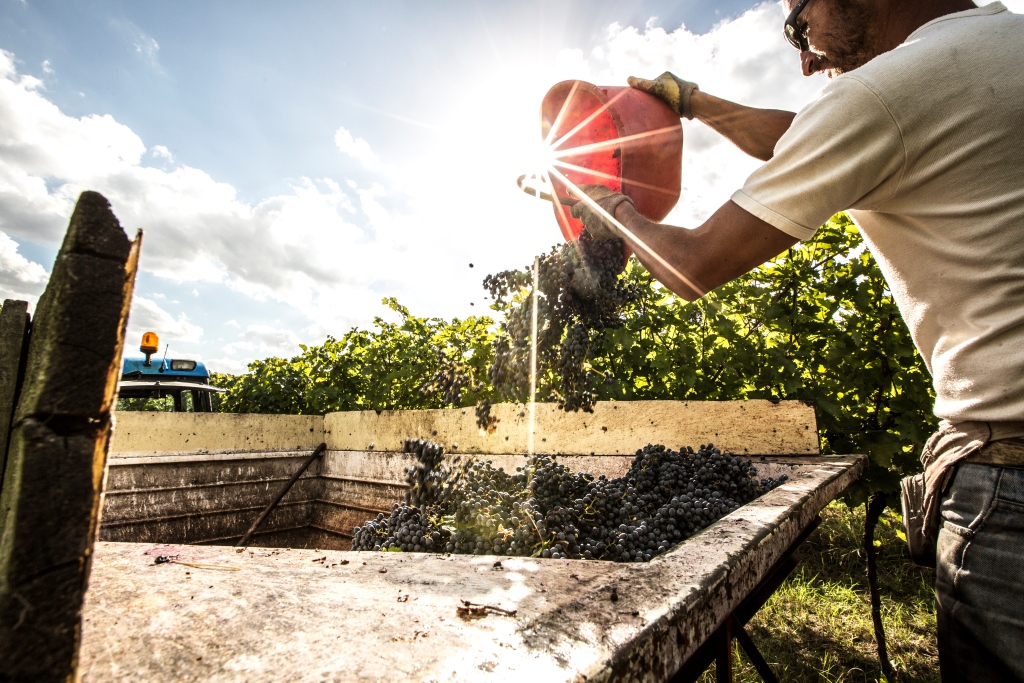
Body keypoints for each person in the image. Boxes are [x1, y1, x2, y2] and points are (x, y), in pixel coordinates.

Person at [566, 1, 1024, 680]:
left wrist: (609, 205)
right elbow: (800, 132)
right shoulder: (1000, 41)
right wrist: (689, 101)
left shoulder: (885, 92)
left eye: (798, 23)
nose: (805, 59)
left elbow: (691, 266)